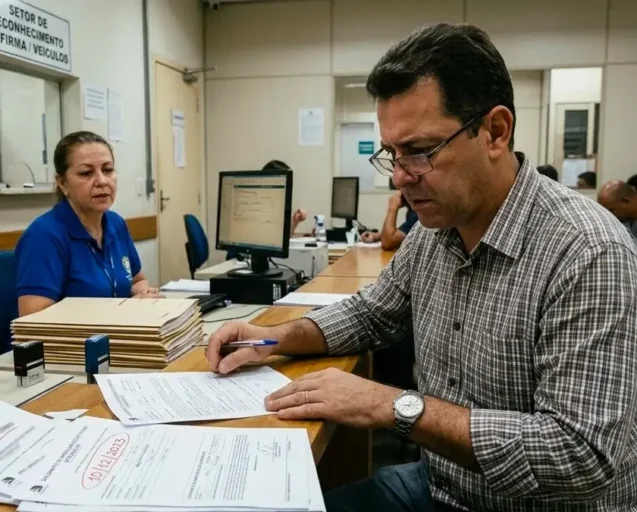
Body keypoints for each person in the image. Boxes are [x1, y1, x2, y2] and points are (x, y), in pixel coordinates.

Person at [206, 23, 637, 512]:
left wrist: (390, 405)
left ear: (495, 132)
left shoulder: (587, 251)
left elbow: (580, 455)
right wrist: (269, 339)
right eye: (392, 153)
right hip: (444, 487)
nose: (400, 176)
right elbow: (371, 313)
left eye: (420, 151)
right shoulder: (435, 232)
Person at [16, 131, 160, 317]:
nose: (102, 181)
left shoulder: (116, 223)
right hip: (70, 345)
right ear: (62, 183)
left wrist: (142, 294)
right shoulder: (44, 236)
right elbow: (32, 317)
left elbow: (136, 281)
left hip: (116, 336)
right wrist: (121, 311)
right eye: (86, 173)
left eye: (108, 170)